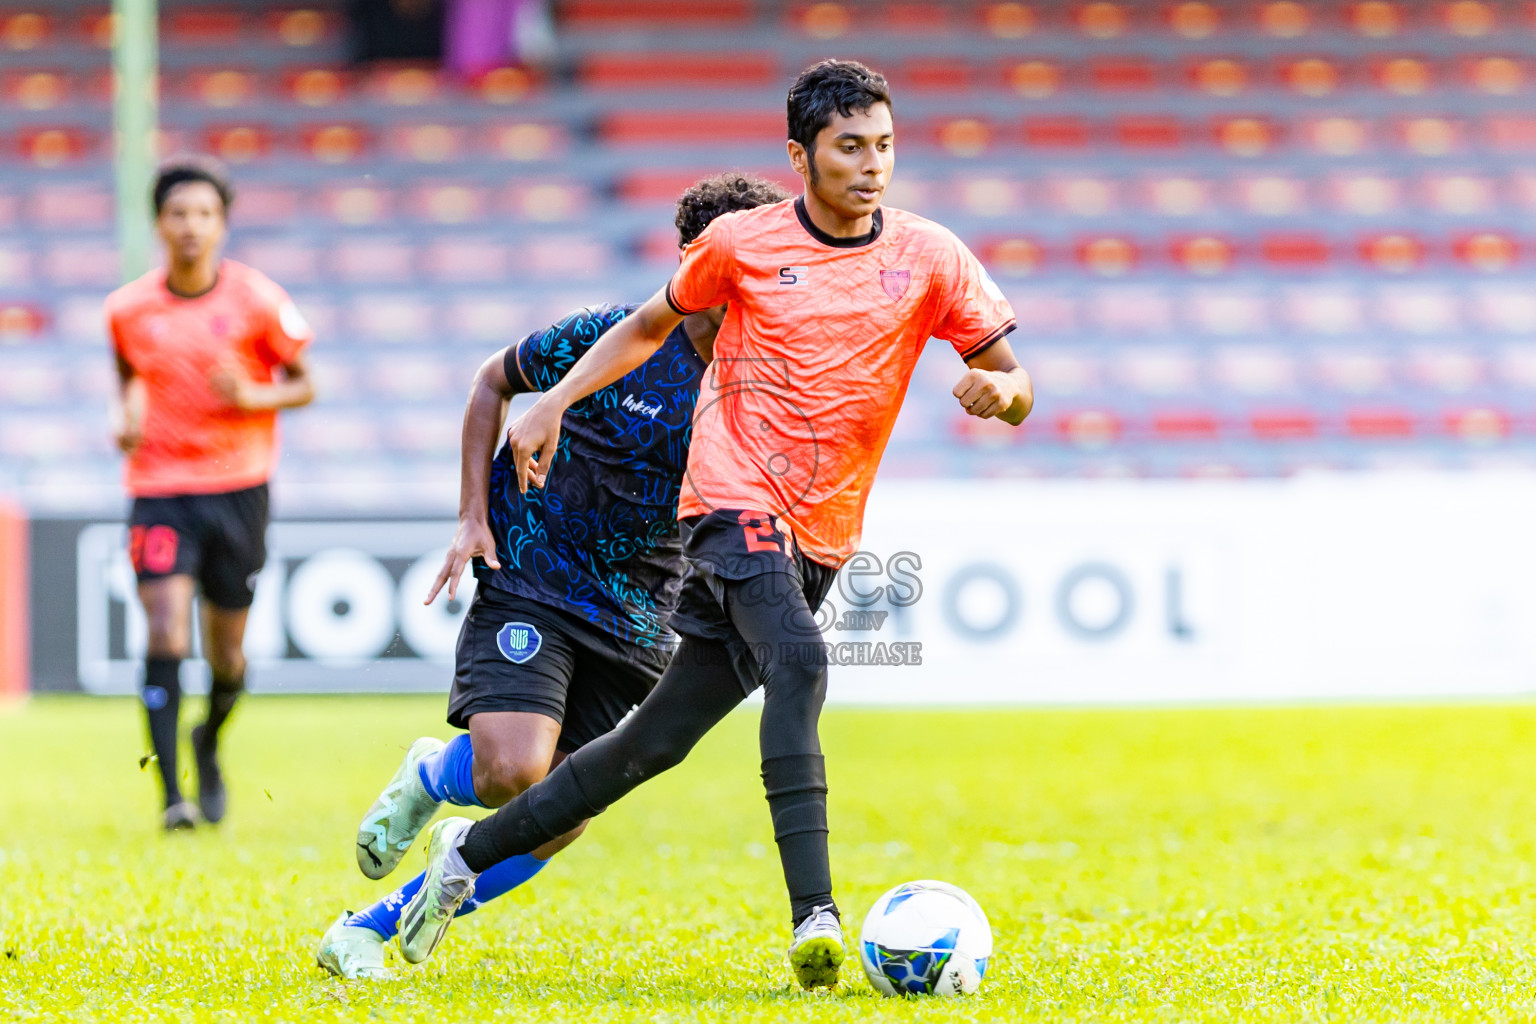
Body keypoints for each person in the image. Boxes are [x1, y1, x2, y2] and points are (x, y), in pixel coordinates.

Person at [400, 59, 1033, 991]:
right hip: (731, 503)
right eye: (849, 147)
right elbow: (649, 325)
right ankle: (815, 917)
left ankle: (463, 860)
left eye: (884, 146)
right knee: (805, 661)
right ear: (799, 154)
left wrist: (1002, 393)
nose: (872, 166)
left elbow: (1016, 378)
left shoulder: (932, 256)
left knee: (653, 743)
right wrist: (556, 400)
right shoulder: (740, 242)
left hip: (822, 532)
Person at [315, 174, 791, 981]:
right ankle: (436, 772)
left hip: (641, 609)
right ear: (693, 261)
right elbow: (492, 383)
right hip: (535, 568)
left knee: (562, 814)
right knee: (514, 769)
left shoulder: (762, 374)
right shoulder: (616, 336)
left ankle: (366, 928)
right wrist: (472, 516)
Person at [106, 157, 316, 831]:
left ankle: (210, 741)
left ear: (222, 225)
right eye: (178, 214)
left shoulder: (258, 300)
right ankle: (172, 797)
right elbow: (131, 375)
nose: (191, 227)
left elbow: (306, 383)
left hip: (239, 488)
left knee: (227, 654)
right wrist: (128, 414)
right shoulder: (128, 310)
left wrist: (254, 395)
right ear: (159, 224)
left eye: (204, 214)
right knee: (165, 625)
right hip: (160, 489)